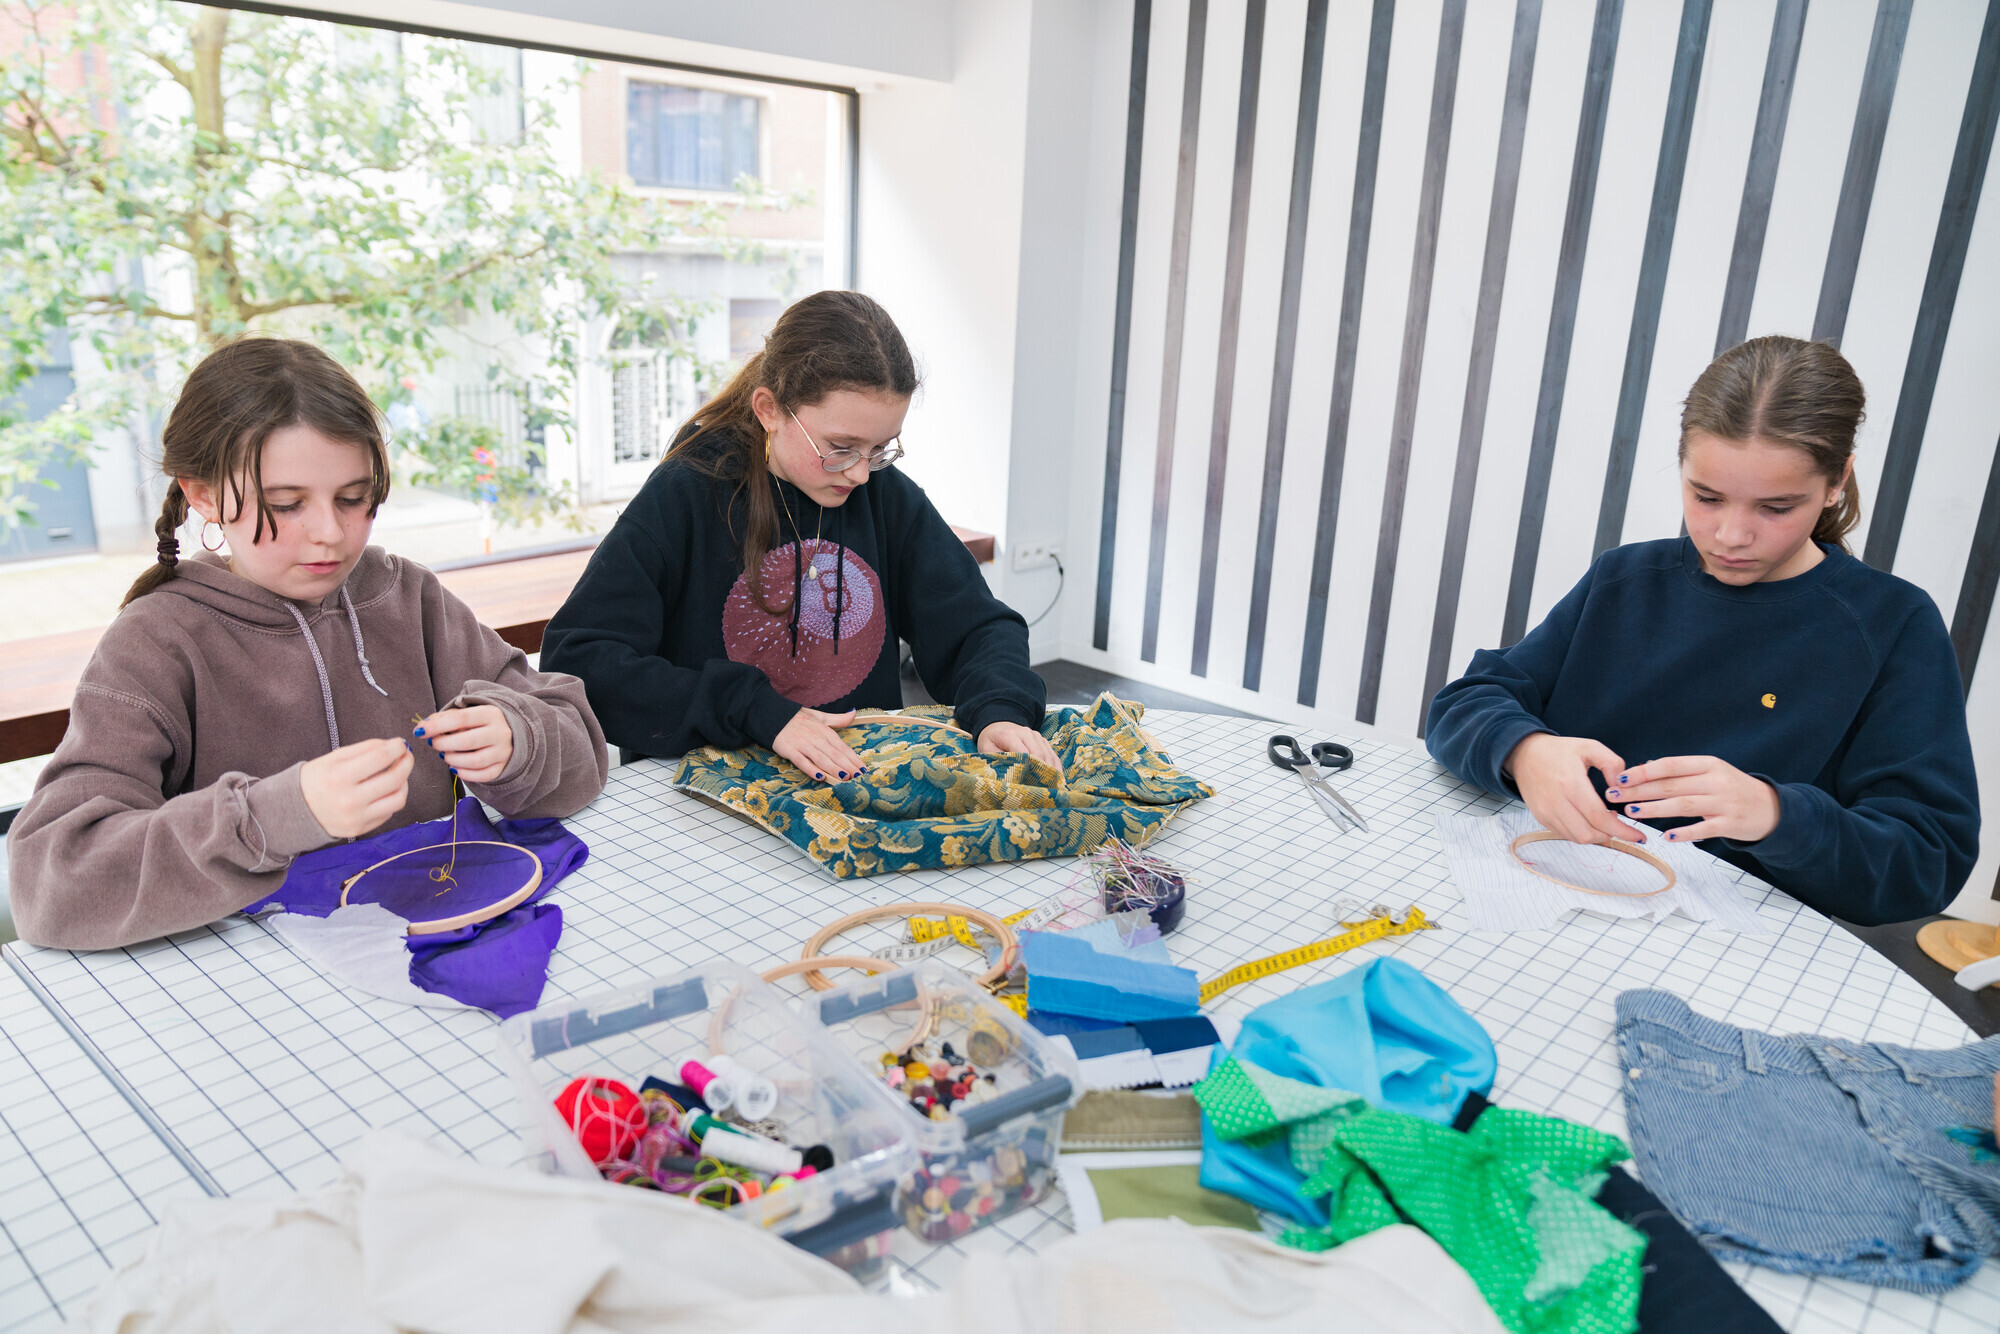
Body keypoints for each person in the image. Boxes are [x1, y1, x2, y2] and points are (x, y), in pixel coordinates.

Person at [9, 339, 608, 951]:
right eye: (285, 504)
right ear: (203, 494)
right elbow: (51, 886)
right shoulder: (156, 645)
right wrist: (273, 816)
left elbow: (580, 746)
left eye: (354, 497)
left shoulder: (409, 599)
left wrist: (520, 741)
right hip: (258, 988)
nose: (330, 534)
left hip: (438, 937)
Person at [1426, 336, 1978, 926]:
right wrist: (1524, 751)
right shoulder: (1625, 579)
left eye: (1775, 507)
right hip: (1547, 895)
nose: (1730, 536)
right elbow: (1466, 702)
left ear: (1837, 481)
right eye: (1706, 497)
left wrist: (1776, 815)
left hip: (1735, 951)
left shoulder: (1894, 625)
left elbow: (1928, 860)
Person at [541, 290, 1054, 779]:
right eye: (841, 446)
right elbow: (582, 660)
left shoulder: (885, 495)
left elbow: (978, 629)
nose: (858, 473)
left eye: (880, 449)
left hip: (851, 781)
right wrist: (755, 710)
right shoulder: (686, 493)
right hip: (701, 795)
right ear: (770, 410)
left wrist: (999, 708)